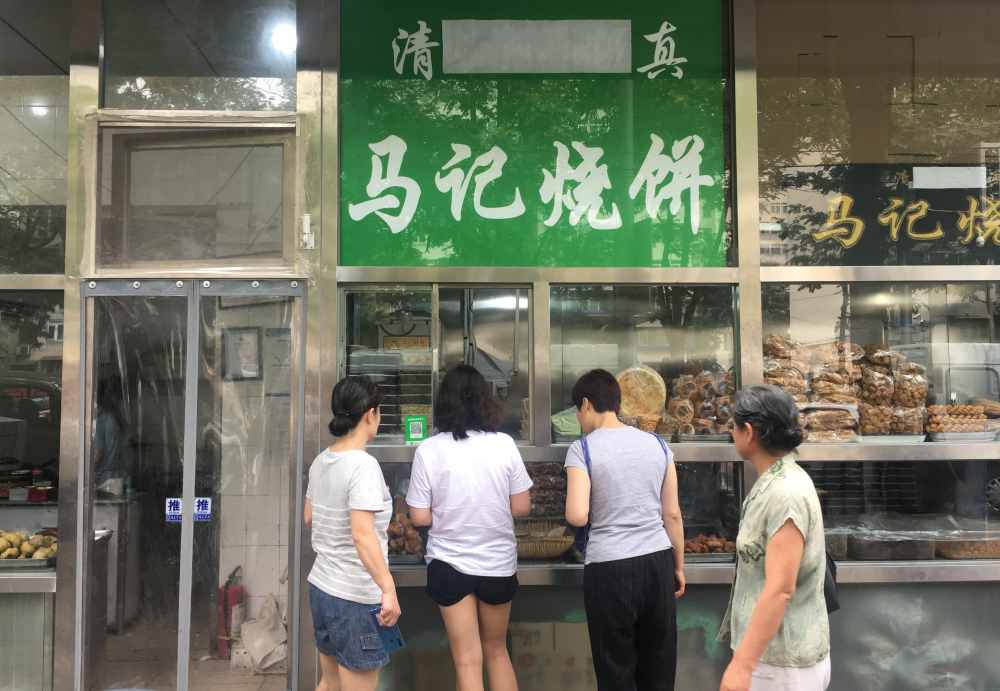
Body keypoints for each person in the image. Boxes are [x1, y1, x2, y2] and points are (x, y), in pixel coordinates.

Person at [406, 365, 533, 691]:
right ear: (484, 400)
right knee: (497, 651)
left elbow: (419, 517)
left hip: (449, 564)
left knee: (466, 658)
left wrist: (450, 514)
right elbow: (521, 506)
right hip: (497, 564)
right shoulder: (504, 444)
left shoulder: (429, 450)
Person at [564, 369, 686, 691]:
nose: (579, 418)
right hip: (657, 564)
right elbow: (672, 514)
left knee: (615, 670)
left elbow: (577, 515)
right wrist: (678, 566)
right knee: (658, 669)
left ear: (587, 404)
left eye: (578, 410)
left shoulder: (583, 449)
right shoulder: (658, 444)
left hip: (609, 569)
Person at [719, 385, 830, 691]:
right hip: (770, 660)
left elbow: (780, 589)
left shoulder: (785, 492)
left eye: (733, 426)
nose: (731, 433)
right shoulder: (774, 481)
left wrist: (742, 666)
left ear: (750, 432)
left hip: (782, 666)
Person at [304, 376, 400, 691]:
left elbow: (309, 516)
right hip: (355, 597)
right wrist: (387, 587)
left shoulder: (322, 460)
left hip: (322, 587)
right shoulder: (363, 466)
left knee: (330, 683)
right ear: (370, 414)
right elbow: (362, 535)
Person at [94, 377, 129, 494]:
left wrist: (81, 472)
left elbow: (98, 453)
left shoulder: (102, 420)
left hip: (105, 480)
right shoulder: (117, 419)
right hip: (119, 476)